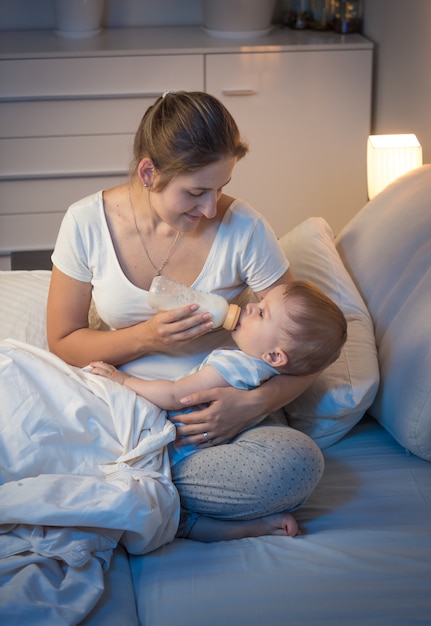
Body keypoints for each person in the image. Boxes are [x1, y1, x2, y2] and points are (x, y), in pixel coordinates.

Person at [47, 90, 327, 543]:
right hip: (124, 412)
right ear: (149, 172)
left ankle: (115, 493)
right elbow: (62, 341)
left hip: (218, 425)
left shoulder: (247, 229)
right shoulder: (85, 223)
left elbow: (303, 349)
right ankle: (142, 494)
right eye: (196, 191)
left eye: (220, 188)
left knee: (295, 464)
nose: (210, 208)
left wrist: (251, 405)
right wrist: (147, 339)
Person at [89, 280, 347, 471]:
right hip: (196, 450)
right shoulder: (264, 372)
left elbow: (174, 395)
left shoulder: (236, 366)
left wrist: (122, 380)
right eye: (259, 303)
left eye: (261, 312)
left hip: (174, 448)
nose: (250, 306)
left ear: (275, 356)